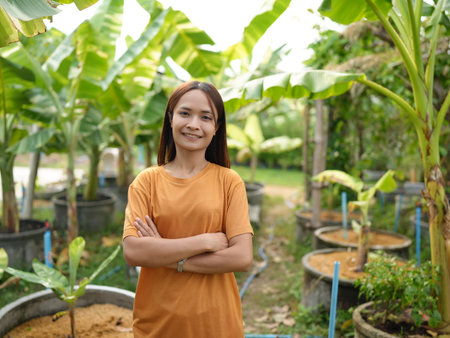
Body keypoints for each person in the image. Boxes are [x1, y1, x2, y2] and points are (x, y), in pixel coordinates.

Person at [122, 81, 254, 338]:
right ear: (170, 119)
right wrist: (205, 241)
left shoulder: (229, 181)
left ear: (216, 128)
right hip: (157, 325)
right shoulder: (146, 182)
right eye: (185, 113)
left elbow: (241, 257)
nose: (194, 124)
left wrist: (167, 255)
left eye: (205, 117)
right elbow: (134, 250)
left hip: (217, 324)